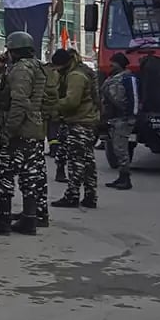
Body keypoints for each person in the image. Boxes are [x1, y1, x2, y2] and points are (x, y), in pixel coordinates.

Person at [0, 31, 48, 236]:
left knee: (6, 176)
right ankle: (29, 219)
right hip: (33, 129)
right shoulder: (36, 66)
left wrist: (9, 130)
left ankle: (3, 220)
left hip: (20, 130)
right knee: (29, 177)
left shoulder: (21, 70)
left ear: (14, 51)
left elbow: (18, 102)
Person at [49, 49, 101, 209]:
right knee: (88, 161)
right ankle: (90, 196)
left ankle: (72, 195)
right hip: (88, 122)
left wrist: (54, 106)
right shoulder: (81, 71)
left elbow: (72, 101)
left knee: (76, 161)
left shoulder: (75, 76)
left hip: (79, 122)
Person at [101, 53, 139, 190]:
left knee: (121, 150)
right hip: (114, 119)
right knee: (117, 149)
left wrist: (131, 117)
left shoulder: (129, 78)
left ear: (119, 64)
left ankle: (125, 178)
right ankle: (121, 177)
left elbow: (133, 98)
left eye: (113, 64)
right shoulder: (112, 78)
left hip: (123, 119)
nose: (110, 66)